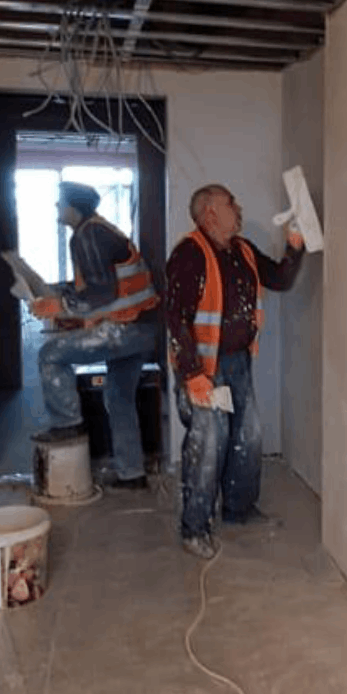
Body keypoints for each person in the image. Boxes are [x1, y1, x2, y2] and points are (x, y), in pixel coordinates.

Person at [164, 183, 304, 558]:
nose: (238, 208)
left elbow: (280, 279)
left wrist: (294, 246)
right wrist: (192, 373)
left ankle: (239, 509)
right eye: (231, 203)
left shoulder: (242, 250)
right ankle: (194, 527)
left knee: (248, 434)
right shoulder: (189, 254)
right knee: (209, 441)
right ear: (210, 212)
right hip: (203, 367)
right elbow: (176, 318)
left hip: (238, 362)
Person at [28, 182, 161, 490]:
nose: (56, 207)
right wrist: (57, 291)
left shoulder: (87, 235)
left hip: (123, 329)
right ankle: (132, 474)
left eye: (60, 202)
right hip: (142, 328)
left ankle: (66, 423)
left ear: (73, 207)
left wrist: (59, 307)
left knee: (50, 355)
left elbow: (102, 292)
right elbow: (95, 284)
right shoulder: (99, 230)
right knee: (119, 398)